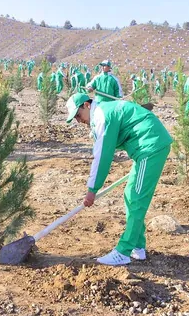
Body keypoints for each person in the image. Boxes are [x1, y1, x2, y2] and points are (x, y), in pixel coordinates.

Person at [66, 93, 172, 266]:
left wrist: (92, 189)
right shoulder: (103, 112)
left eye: (78, 115)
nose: (78, 121)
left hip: (150, 146)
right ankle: (138, 246)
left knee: (137, 198)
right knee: (130, 195)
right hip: (147, 148)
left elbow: (103, 156)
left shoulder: (101, 115)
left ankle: (123, 251)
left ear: (86, 105)